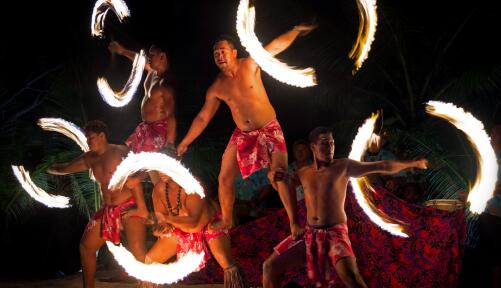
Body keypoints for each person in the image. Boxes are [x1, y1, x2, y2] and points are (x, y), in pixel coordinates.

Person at [177, 24, 317, 233]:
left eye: (222, 51)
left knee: (278, 174)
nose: (219, 56)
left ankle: (294, 222)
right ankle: (226, 220)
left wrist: (295, 31)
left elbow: (275, 47)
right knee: (224, 177)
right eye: (215, 53)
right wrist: (185, 143)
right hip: (243, 134)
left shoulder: (250, 64)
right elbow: (202, 117)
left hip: (269, 129)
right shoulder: (216, 87)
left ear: (234, 53)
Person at [263, 127, 428, 288]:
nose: (330, 148)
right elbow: (281, 186)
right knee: (269, 267)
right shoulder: (304, 172)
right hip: (310, 234)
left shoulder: (343, 166)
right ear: (313, 147)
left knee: (352, 279)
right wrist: (272, 177)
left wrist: (412, 163)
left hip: (335, 234)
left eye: (332, 143)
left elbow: (382, 166)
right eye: (324, 143)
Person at [47, 120, 148, 288]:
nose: (88, 142)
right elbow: (65, 168)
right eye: (87, 139)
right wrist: (45, 169)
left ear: (102, 136)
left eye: (91, 138)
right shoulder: (90, 158)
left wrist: (138, 183)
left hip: (129, 205)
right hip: (108, 210)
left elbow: (145, 166)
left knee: (138, 251)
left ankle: (147, 284)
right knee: (86, 247)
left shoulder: (120, 151)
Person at [145, 173, 246, 288]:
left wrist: (166, 218)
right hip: (181, 230)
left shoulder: (193, 184)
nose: (161, 172)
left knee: (227, 263)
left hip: (209, 226)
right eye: (159, 168)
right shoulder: (159, 189)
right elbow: (163, 222)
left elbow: (193, 221)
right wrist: (161, 228)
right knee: (150, 260)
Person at [108, 41, 177, 156]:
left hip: (158, 133)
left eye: (152, 55)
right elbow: (140, 61)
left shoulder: (166, 84)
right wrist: (122, 51)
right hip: (145, 128)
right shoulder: (153, 71)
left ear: (162, 56)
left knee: (149, 169)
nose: (148, 57)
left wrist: (169, 145)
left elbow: (171, 116)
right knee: (131, 162)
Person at [478, 123, 501, 288]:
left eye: (497, 131)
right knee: (488, 256)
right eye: (492, 130)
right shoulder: (487, 155)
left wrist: (487, 190)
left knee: (498, 258)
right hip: (486, 212)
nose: (492, 133)